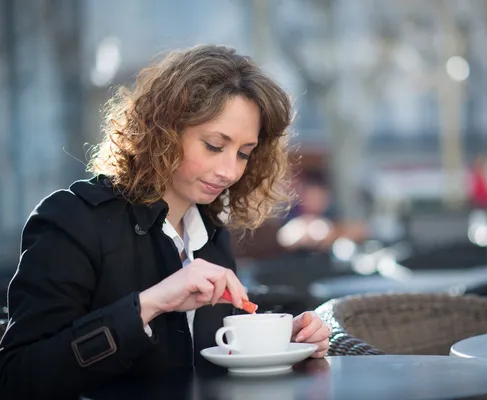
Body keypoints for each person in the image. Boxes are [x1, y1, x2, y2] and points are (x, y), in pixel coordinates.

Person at [0, 45, 330, 399]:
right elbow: (18, 377)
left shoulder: (210, 232)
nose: (229, 171)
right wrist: (150, 304)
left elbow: (214, 359)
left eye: (244, 153)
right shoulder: (72, 219)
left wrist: (285, 341)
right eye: (214, 146)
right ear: (165, 131)